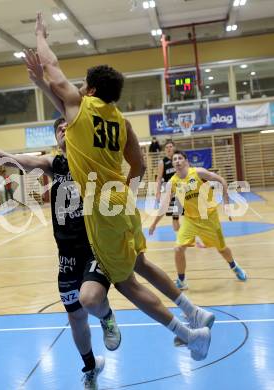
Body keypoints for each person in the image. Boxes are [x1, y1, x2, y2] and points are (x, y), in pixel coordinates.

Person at [32, 12, 213, 378]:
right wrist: (119, 192)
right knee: (142, 264)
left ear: (92, 90)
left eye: (84, 85)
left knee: (126, 282)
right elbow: (140, 166)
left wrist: (40, 36)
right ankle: (193, 311)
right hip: (123, 202)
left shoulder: (79, 108)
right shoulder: (120, 121)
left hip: (102, 209)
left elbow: (51, 66)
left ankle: (190, 334)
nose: (78, 88)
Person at [0, 116, 121, 390]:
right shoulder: (54, 164)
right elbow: (9, 160)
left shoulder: (91, 159)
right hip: (66, 255)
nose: (63, 130)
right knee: (75, 316)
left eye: (68, 127)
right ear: (56, 139)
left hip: (94, 247)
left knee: (90, 299)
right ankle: (89, 367)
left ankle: (107, 317)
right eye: (59, 129)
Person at [149, 150, 247, 290]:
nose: (177, 161)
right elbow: (164, 206)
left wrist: (226, 204)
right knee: (178, 248)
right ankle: (182, 280)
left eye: (180, 158)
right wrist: (153, 224)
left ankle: (235, 266)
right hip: (190, 220)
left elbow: (222, 180)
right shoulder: (173, 183)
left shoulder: (198, 172)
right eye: (174, 159)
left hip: (209, 218)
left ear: (186, 161)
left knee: (222, 249)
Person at [155, 140, 180, 232]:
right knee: (175, 217)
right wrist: (158, 192)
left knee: (190, 216)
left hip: (183, 191)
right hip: (172, 193)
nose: (169, 148)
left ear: (174, 148)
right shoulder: (162, 162)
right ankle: (180, 239)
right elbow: (159, 178)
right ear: (164, 150)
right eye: (167, 147)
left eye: (170, 146)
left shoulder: (179, 159)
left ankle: (190, 237)